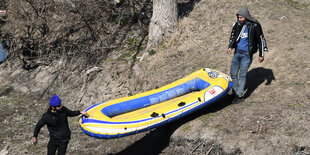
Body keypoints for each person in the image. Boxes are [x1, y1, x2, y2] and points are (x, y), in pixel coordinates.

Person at [227, 7, 268, 104]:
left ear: (246, 16)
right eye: (238, 17)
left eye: (241, 17)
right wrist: (230, 46)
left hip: (246, 55)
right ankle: (235, 91)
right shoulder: (237, 25)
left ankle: (239, 95)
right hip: (237, 53)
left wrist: (261, 54)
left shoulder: (255, 25)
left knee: (242, 75)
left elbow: (261, 39)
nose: (239, 19)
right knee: (233, 73)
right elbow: (233, 36)